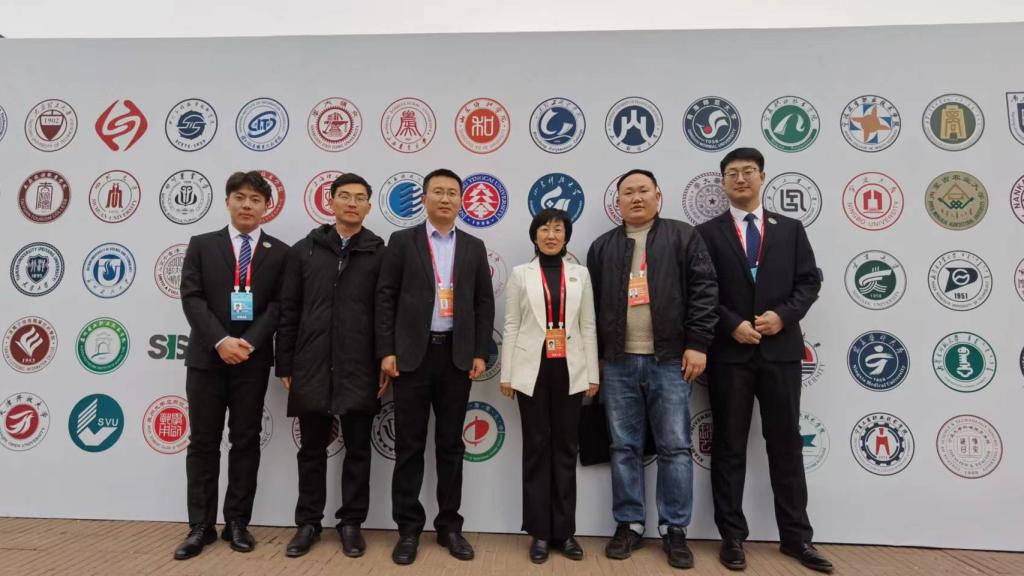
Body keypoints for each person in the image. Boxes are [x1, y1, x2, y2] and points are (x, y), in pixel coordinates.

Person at [696, 147, 832, 573]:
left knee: (786, 444)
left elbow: (809, 282)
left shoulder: (790, 229)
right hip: (730, 355)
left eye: (749, 171)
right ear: (723, 183)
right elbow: (701, 289)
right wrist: (731, 323)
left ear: (762, 177)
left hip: (780, 353)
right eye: (732, 173)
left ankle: (796, 538)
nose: (741, 179)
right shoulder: (706, 233)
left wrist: (783, 316)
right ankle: (732, 537)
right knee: (730, 446)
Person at [587, 169, 718, 570]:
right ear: (618, 202)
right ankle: (629, 523)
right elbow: (590, 308)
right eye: (628, 192)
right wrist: (597, 358)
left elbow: (705, 290)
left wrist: (697, 343)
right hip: (618, 363)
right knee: (623, 447)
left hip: (670, 360)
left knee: (675, 447)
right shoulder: (603, 246)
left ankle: (674, 529)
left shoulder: (683, 236)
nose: (636, 197)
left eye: (643, 190)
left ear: (658, 196)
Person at [375, 168, 495, 565]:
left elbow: (483, 302)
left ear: (461, 201)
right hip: (412, 356)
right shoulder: (402, 241)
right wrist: (387, 350)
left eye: (452, 193)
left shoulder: (474, 246)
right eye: (438, 192)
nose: (445, 199)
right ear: (424, 199)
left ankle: (449, 527)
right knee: (409, 446)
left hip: (455, 357)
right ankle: (408, 530)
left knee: (451, 445)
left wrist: (480, 352)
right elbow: (385, 297)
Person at [174, 171, 288, 560]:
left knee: (245, 441)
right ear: (227, 202)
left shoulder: (279, 252)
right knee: (203, 442)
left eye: (255, 199)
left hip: (251, 362)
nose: (247, 205)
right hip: (207, 359)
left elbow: (279, 306)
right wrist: (221, 341)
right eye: (240, 197)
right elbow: (192, 297)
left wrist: (248, 343)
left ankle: (237, 522)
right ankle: (200, 526)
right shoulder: (202, 245)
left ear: (266, 207)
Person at [275, 173, 385, 558]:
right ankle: (308, 523)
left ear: (368, 206)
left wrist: (384, 362)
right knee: (311, 450)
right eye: (345, 196)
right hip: (312, 363)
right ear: (331, 202)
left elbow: (385, 313)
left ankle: (351, 523)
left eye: (360, 198)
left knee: (358, 450)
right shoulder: (304, 250)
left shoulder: (379, 252)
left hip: (360, 365)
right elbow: (288, 310)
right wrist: (285, 362)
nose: (352, 203)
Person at [498, 208, 599, 564]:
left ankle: (565, 532)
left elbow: (588, 325)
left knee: (566, 449)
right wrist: (507, 373)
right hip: (532, 370)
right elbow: (511, 324)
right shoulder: (520, 274)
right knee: (536, 448)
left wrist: (592, 374)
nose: (551, 235)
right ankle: (540, 532)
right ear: (535, 235)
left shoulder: (580, 274)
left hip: (571, 370)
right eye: (545, 229)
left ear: (566, 236)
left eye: (558, 229)